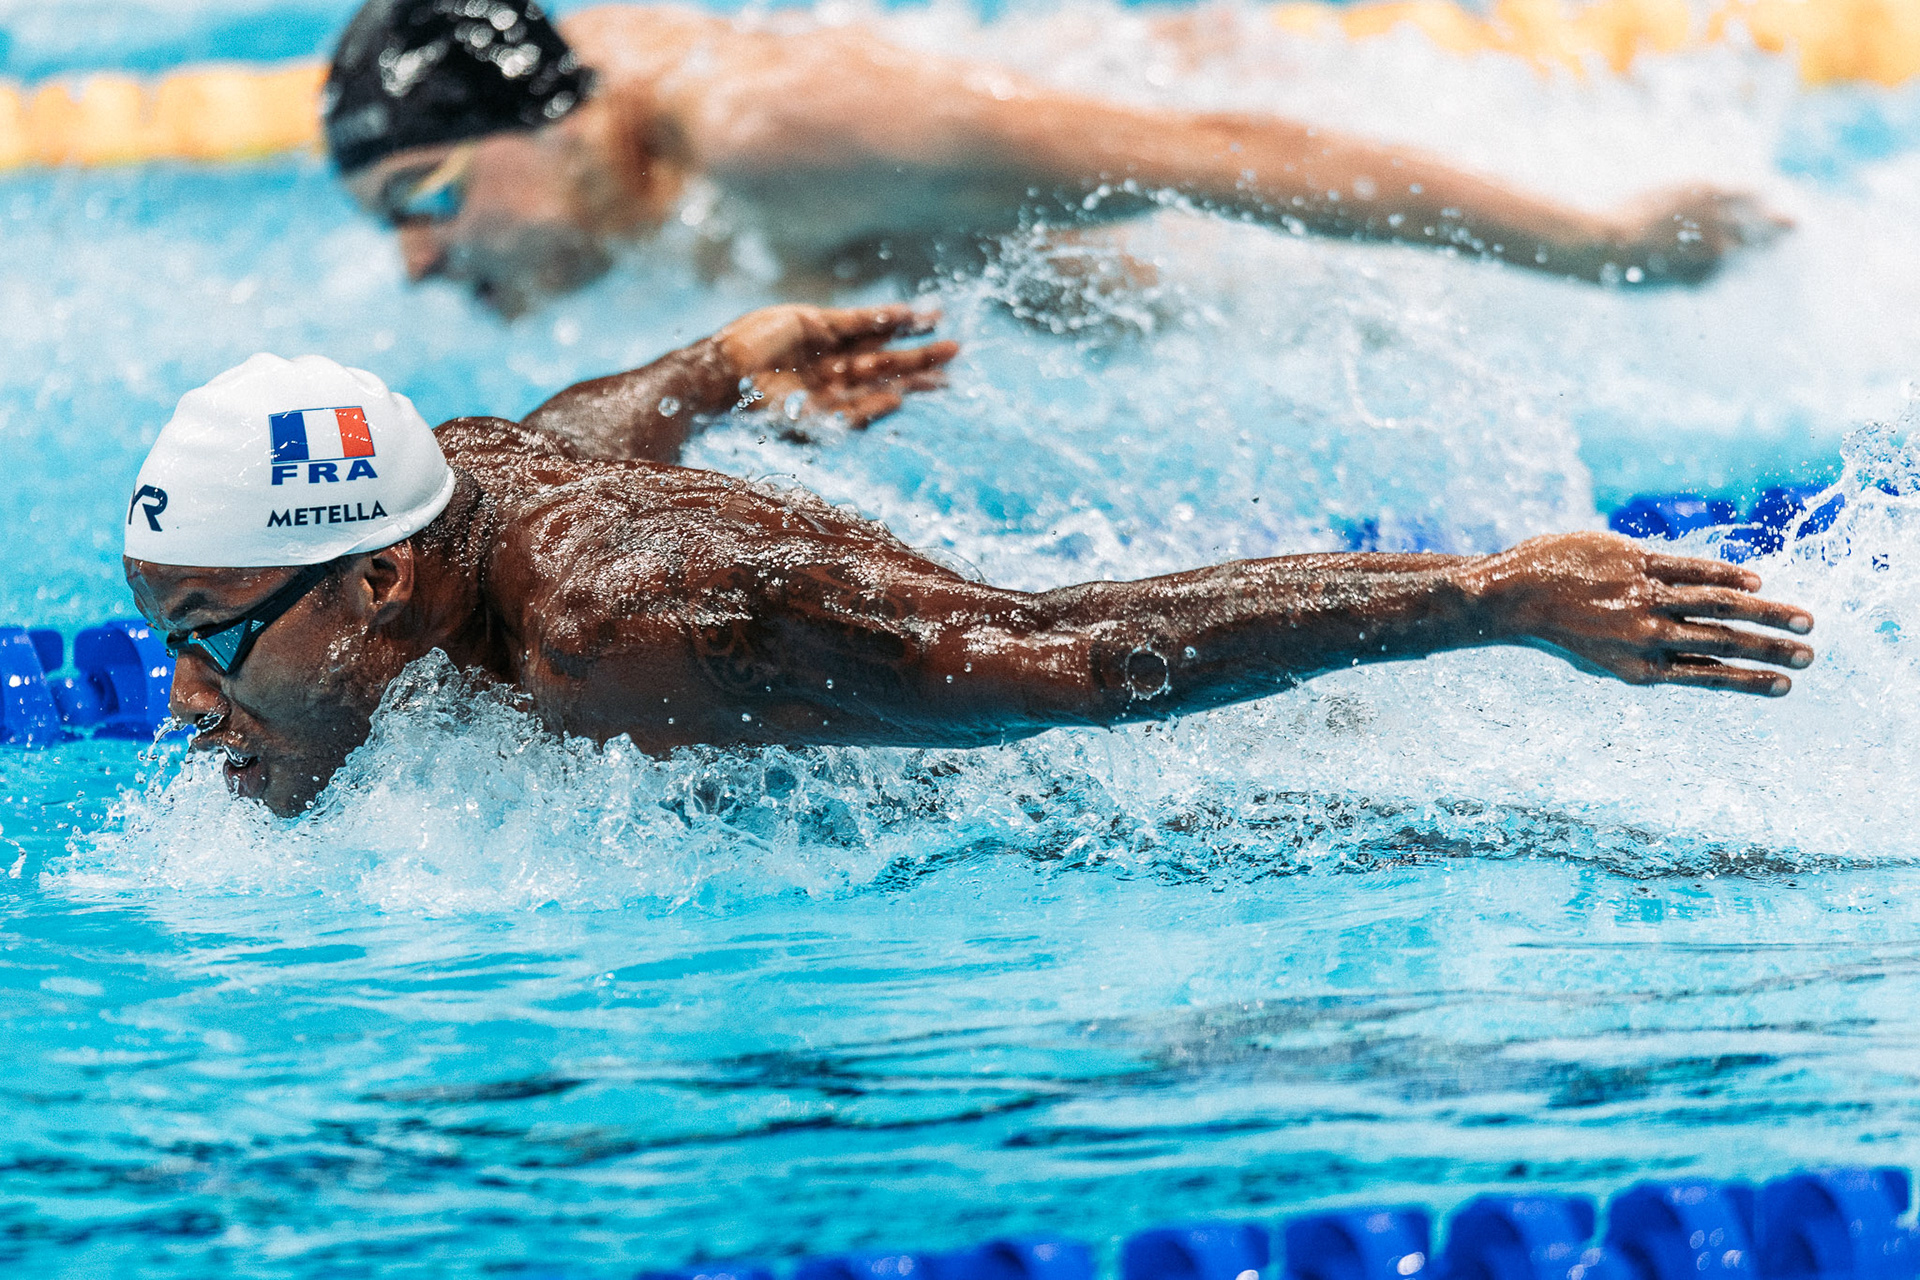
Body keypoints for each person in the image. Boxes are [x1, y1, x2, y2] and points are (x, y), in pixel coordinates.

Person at [122, 303, 1815, 818]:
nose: (185, 702)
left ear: (377, 585)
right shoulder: (446, 497)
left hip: (1175, 781)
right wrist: (724, 363)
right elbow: (570, 428)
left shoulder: (642, 629)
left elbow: (1066, 661)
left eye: (213, 638)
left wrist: (1497, 596)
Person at [323, 0, 1788, 316]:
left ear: (550, 128)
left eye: (427, 200)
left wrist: (1601, 246)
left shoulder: (789, 134)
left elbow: (1221, 156)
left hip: (1182, 166)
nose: (418, 258)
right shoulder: (603, 129)